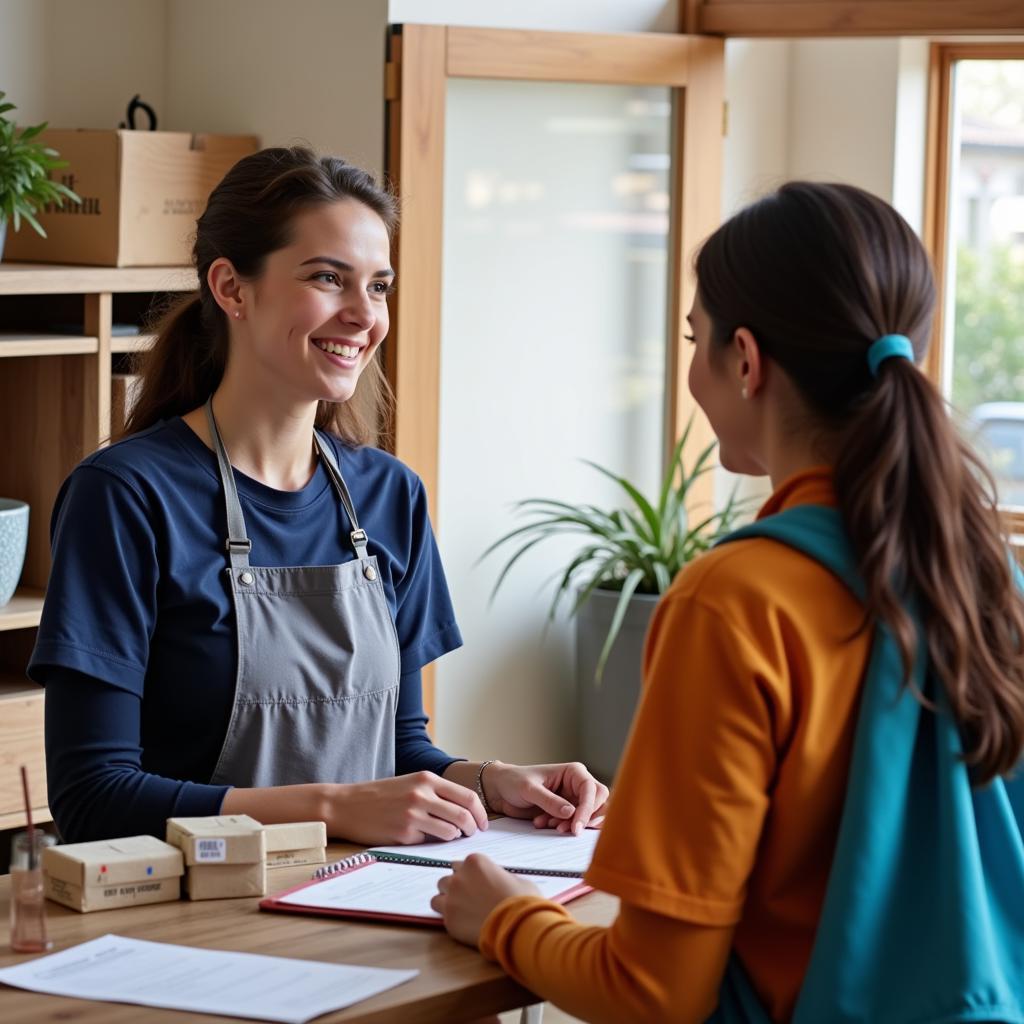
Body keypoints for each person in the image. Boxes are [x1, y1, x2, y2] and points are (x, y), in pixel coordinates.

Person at [433, 182, 1024, 1023]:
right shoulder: (986, 580)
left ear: (745, 360)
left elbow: (652, 994)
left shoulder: (737, 603)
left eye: (693, 338)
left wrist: (503, 916)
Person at [31, 147, 608, 847]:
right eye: (329, 279)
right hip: (185, 921)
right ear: (231, 288)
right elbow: (94, 798)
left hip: (354, 900)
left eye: (380, 287)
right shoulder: (126, 497)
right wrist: (330, 808)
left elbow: (395, 752)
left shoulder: (390, 496)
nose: (364, 316)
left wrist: (492, 781)